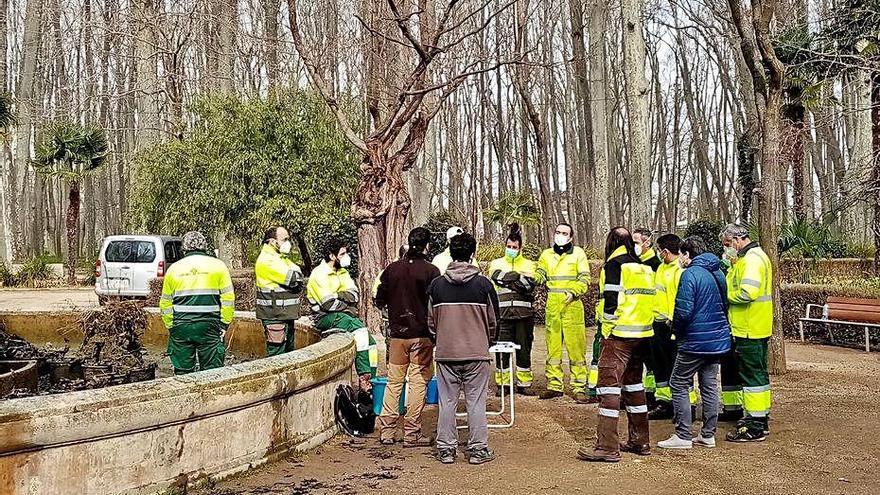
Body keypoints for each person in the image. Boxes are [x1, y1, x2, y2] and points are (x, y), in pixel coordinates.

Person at [578, 227, 655, 462]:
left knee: (609, 389)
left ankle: (607, 446)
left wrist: (606, 331)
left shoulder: (614, 264)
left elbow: (610, 302)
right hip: (642, 334)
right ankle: (640, 440)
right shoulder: (644, 266)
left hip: (619, 334)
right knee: (634, 387)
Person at [429, 233, 499, 465]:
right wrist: (485, 342)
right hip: (476, 353)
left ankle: (446, 449)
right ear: (472, 254)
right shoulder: (484, 285)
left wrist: (442, 340)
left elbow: (430, 322)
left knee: (446, 402)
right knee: (475, 402)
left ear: (451, 252)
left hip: (446, 354)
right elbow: (494, 321)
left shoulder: (437, 286)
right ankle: (478, 450)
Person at [657, 236, 731, 449]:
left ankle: (682, 435)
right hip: (716, 339)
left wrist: (675, 330)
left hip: (694, 340)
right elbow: (723, 304)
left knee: (678, 383)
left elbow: (684, 311)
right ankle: (708, 434)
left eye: (681, 254)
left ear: (687, 255)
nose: (679, 258)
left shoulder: (690, 275)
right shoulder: (717, 272)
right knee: (708, 386)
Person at [374, 228, 440, 447]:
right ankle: (412, 433)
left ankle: (387, 431)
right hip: (421, 336)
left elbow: (379, 298)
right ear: (427, 246)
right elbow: (436, 304)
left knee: (394, 383)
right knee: (418, 382)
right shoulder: (431, 271)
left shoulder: (392, 269)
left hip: (397, 336)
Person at [719, 224, 774, 442]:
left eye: (727, 244)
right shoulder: (749, 258)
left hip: (750, 327)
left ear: (738, 239)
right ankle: (759, 417)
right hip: (752, 325)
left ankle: (756, 425)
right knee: (755, 374)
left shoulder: (752, 260)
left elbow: (747, 293)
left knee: (753, 376)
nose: (726, 249)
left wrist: (725, 295)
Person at [159, 231, 235, 374]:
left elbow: (165, 302)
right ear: (205, 246)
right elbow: (228, 299)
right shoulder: (218, 266)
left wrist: (171, 326)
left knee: (183, 371)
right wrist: (224, 324)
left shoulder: (173, 269)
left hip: (181, 326)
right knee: (212, 371)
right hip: (210, 325)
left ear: (184, 248)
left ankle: (185, 393)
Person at [307, 239, 378, 390]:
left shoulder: (342, 272)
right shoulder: (318, 274)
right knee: (358, 329)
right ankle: (364, 379)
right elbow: (328, 305)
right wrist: (346, 303)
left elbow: (355, 295)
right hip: (323, 317)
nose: (346, 256)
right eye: (343, 253)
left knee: (371, 343)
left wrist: (338, 295)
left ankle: (373, 380)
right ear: (332, 256)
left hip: (342, 314)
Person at [534, 223, 592, 402]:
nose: (560, 235)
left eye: (564, 233)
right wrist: (528, 275)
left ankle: (579, 386)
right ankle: (554, 384)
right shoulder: (546, 255)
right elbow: (540, 276)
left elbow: (585, 278)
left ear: (571, 237)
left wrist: (574, 291)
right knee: (553, 347)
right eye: (558, 232)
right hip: (552, 304)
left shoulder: (578, 254)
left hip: (572, 305)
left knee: (576, 348)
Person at [488, 223, 537, 396]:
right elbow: (496, 277)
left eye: (514, 247)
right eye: (508, 246)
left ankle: (524, 384)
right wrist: (517, 276)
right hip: (502, 314)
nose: (511, 249)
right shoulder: (496, 263)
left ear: (520, 248)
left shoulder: (530, 264)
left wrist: (509, 279)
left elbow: (529, 285)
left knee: (524, 350)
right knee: (501, 351)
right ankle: (503, 385)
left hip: (524, 315)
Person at [647, 233, 684, 419]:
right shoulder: (661, 267)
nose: (658, 254)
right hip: (658, 324)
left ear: (666, 251)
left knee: (677, 366)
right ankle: (663, 402)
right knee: (659, 366)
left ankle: (685, 405)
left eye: (660, 250)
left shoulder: (680, 269)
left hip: (673, 325)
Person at [255, 227, 304, 356]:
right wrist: (297, 276)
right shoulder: (267, 260)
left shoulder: (280, 258)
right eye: (285, 239)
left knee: (287, 356)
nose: (288, 243)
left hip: (284, 314)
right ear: (272, 242)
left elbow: (299, 274)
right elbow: (294, 278)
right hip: (275, 316)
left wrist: (298, 276)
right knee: (276, 357)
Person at [633, 228, 660, 404]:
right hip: (636, 320)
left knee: (653, 362)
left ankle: (652, 396)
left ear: (646, 242)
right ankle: (646, 394)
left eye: (636, 242)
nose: (633, 246)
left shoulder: (655, 265)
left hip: (651, 321)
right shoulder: (634, 263)